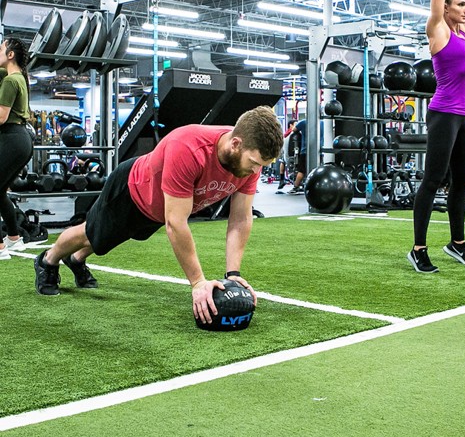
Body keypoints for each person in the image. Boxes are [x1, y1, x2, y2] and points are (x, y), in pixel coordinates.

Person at [33, 106, 284, 324]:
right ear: (236, 144)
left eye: (262, 165)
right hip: (131, 191)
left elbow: (240, 219)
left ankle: (76, 260)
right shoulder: (189, 147)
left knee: (107, 239)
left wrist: (233, 275)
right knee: (89, 234)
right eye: (254, 162)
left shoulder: (249, 161)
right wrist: (198, 283)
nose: (256, 170)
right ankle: (49, 260)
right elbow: (176, 224)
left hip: (156, 209)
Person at [408, 0, 465, 273]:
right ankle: (419, 248)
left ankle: (457, 243)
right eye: (461, 5)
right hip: (443, 114)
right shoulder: (438, 31)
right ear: (447, 8)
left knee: (462, 182)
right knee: (433, 180)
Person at [0, 37, 36, 259]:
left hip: (12, 138)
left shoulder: (10, 81)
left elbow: (1, 118)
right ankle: (14, 238)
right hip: (21, 140)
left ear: (10, 54)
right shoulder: (17, 77)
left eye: (1, 49)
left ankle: (1, 249)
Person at [288, 118, 307, 194]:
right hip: (320, 151)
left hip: (305, 150)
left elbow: (294, 130)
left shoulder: (304, 122)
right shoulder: (323, 123)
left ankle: (296, 187)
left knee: (301, 170)